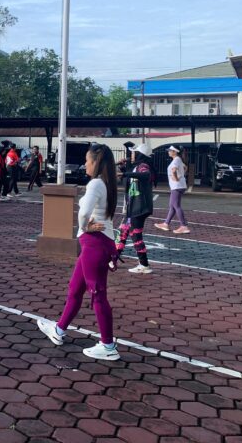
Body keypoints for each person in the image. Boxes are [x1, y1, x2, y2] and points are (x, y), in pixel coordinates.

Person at [37, 144, 121, 361]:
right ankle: (59, 330)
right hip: (97, 244)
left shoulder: (96, 183)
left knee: (98, 295)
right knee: (75, 288)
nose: (85, 164)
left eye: (87, 160)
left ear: (96, 162)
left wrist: (84, 227)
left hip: (95, 244)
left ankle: (108, 346)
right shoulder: (106, 183)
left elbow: (84, 213)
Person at [117, 144, 155, 274]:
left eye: (134, 153)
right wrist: (123, 168)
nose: (131, 155)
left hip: (139, 207)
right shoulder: (135, 167)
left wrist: (125, 173)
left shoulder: (143, 166)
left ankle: (144, 264)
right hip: (132, 207)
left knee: (135, 234)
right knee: (123, 231)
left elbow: (146, 175)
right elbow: (130, 181)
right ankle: (114, 258)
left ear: (140, 155)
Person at [155, 146, 190, 234]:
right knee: (172, 206)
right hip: (178, 185)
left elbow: (174, 170)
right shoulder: (178, 160)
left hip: (177, 186)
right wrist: (181, 175)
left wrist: (176, 178)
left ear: (175, 151)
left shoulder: (176, 160)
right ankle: (166, 224)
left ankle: (184, 226)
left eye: (170, 150)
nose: (168, 152)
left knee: (176, 206)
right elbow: (185, 167)